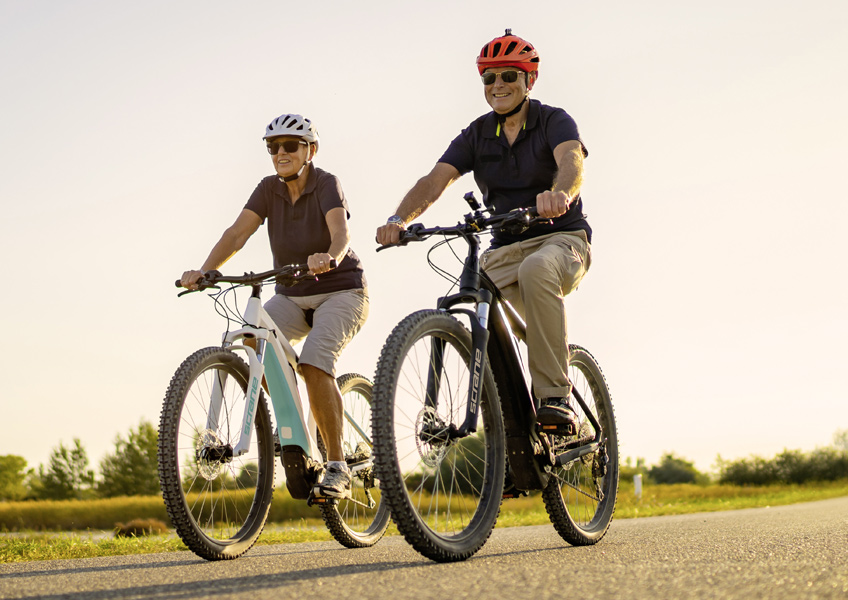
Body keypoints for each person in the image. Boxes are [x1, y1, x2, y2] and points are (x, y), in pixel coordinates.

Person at [376, 30, 591, 434]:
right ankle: (506, 435)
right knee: (476, 293)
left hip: (561, 238)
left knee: (536, 270)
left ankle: (555, 396)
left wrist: (559, 194)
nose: (499, 86)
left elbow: (572, 161)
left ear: (530, 80)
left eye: (509, 75)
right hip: (506, 246)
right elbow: (434, 181)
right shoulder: (476, 134)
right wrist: (397, 220)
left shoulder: (553, 121)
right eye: (489, 79)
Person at [180, 113, 368, 498]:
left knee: (315, 361)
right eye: (273, 147)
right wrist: (205, 270)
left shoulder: (327, 183)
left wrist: (330, 256)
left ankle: (336, 465)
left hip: (341, 289)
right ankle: (296, 430)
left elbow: (341, 232)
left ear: (310, 150)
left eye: (290, 145)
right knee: (254, 341)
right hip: (292, 295)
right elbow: (236, 234)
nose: (280, 153)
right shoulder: (268, 189)